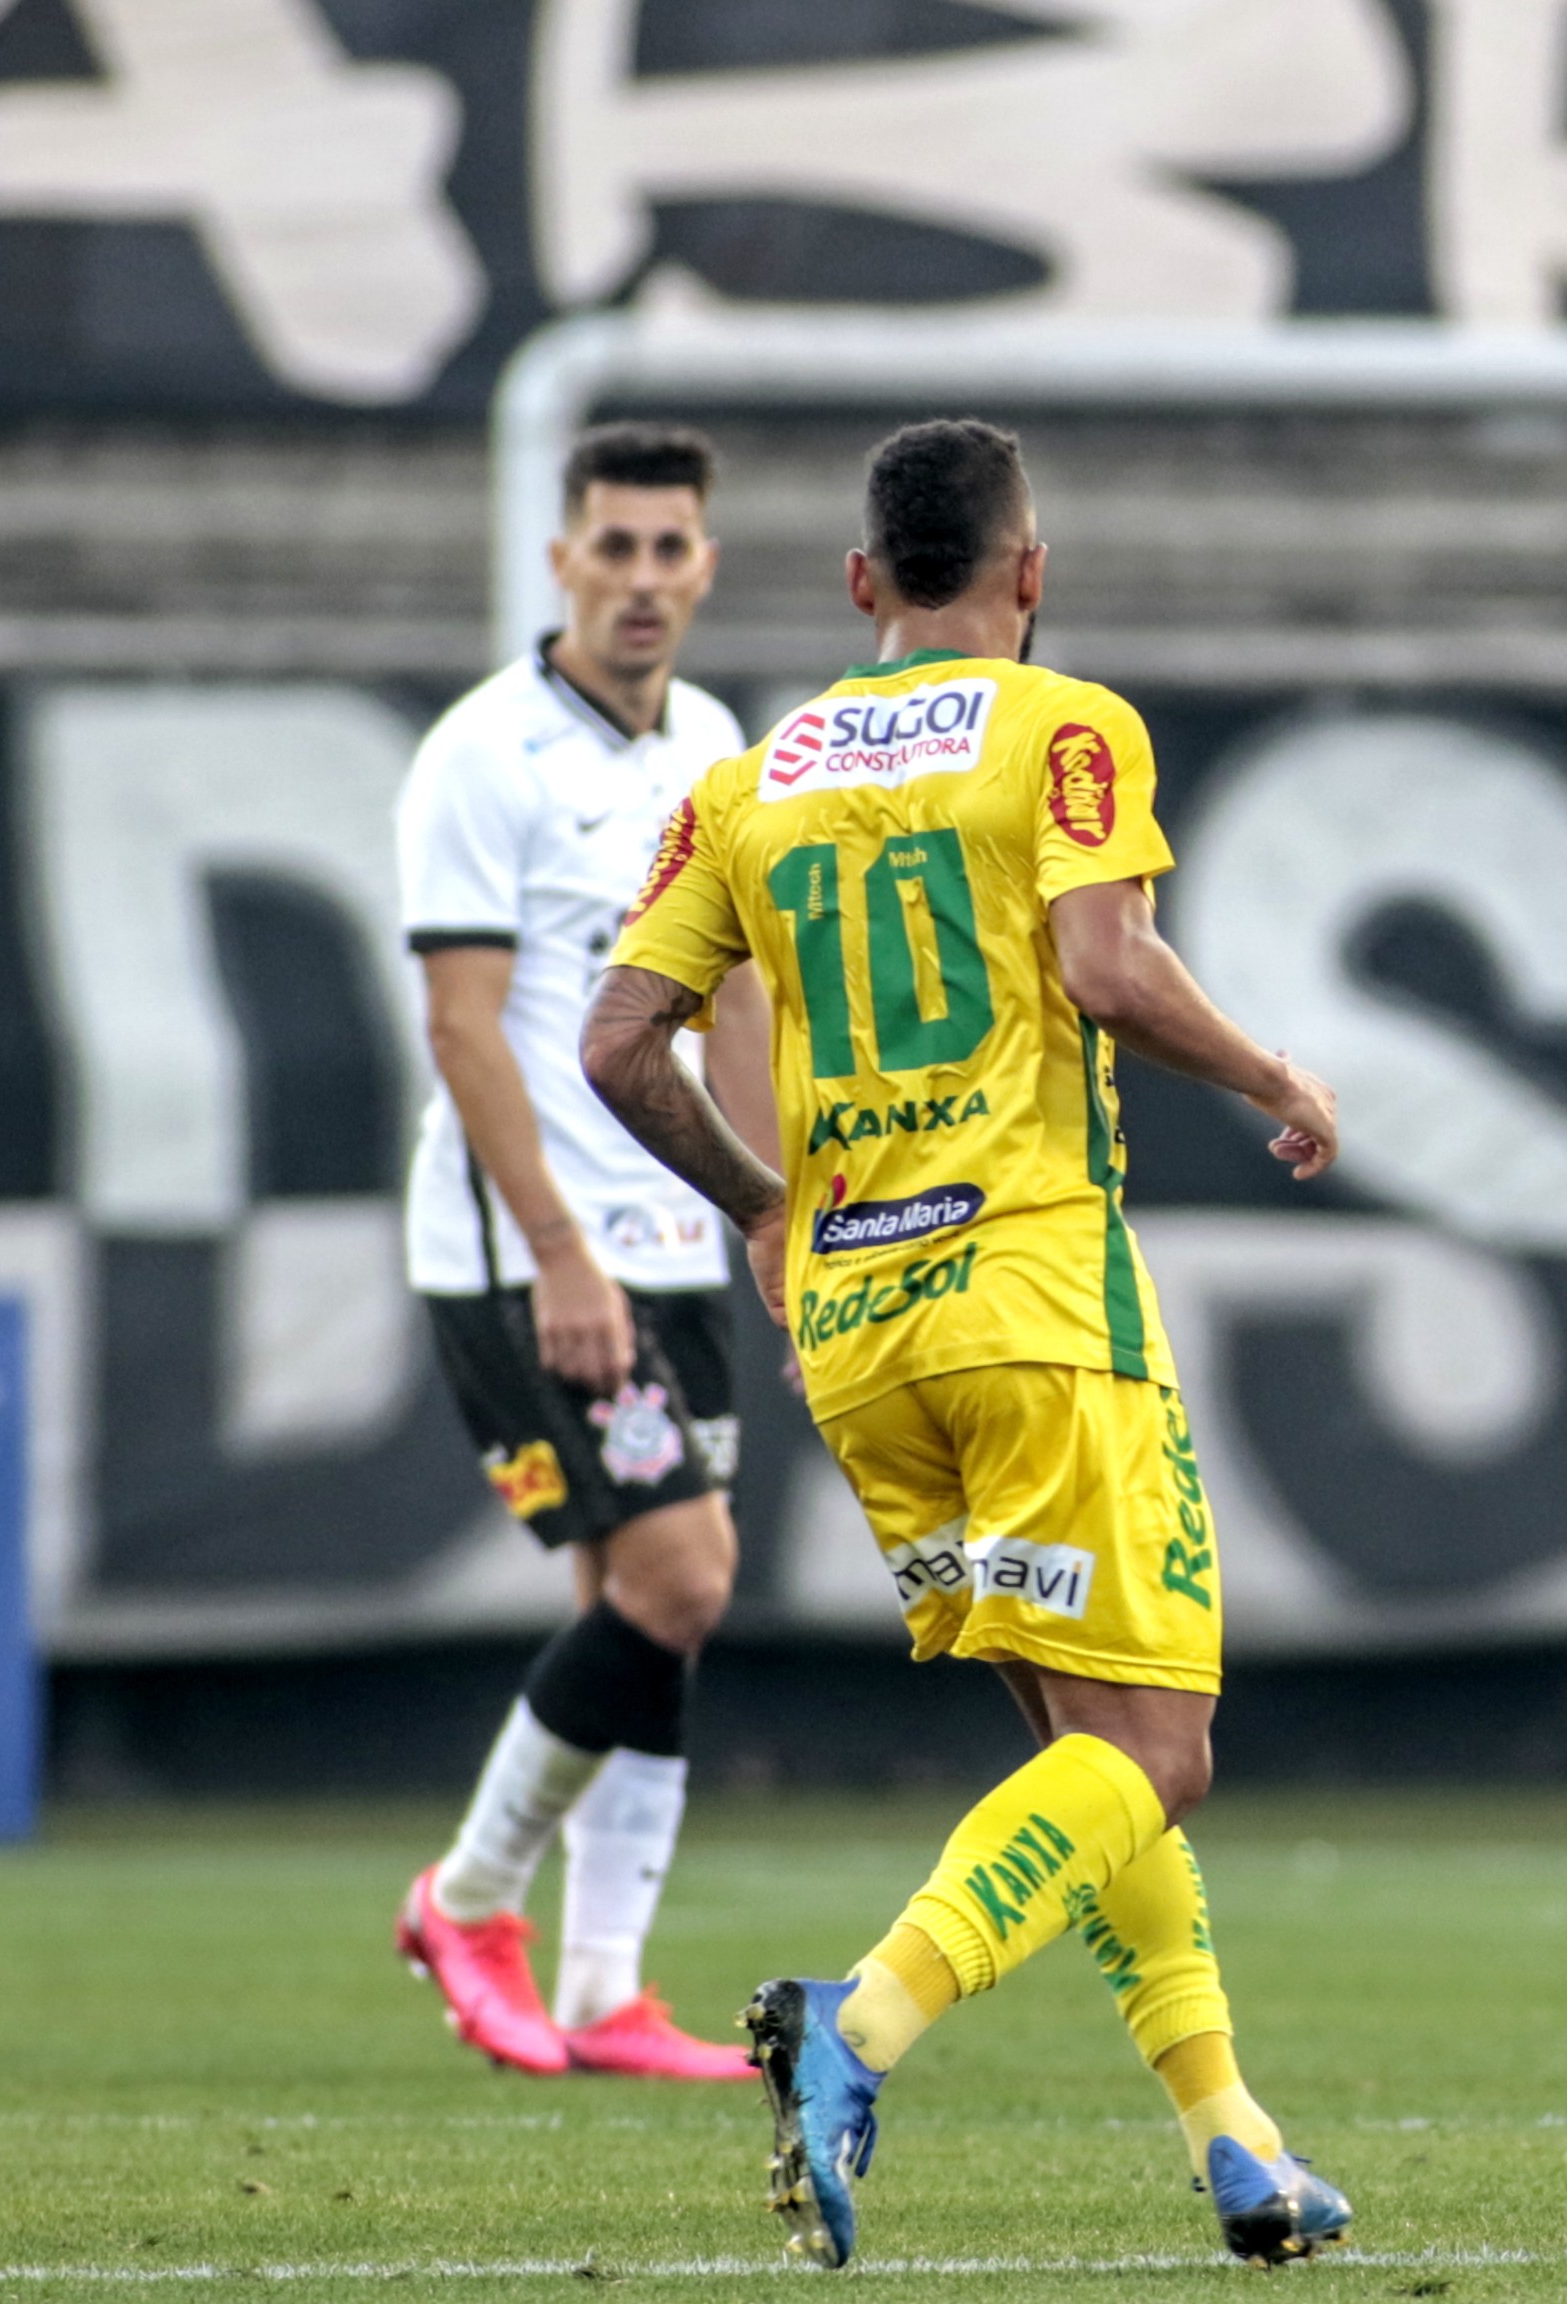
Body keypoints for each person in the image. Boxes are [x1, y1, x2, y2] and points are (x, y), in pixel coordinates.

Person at [580, 418, 1353, 2268]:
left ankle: (1237, 2144)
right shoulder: (1066, 728)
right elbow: (1106, 968)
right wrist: (1270, 1075)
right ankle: (860, 2021)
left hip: (859, 1334)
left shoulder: (750, 782)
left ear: (862, 581)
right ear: (1031, 571)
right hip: (1033, 1304)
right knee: (1157, 1753)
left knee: (1081, 1755)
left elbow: (617, 1044)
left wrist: (765, 1207)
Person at [392, 420, 776, 2083]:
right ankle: (468, 1899)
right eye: (612, 546)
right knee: (685, 1576)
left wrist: (774, 1206)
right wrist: (559, 1250)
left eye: (668, 548)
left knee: (637, 1603)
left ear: (705, 566)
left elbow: (737, 1002)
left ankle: (607, 1984)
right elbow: (462, 1027)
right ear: (561, 560)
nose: (640, 578)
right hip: (529, 1248)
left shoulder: (717, 747)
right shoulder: (482, 754)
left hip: (676, 1236)